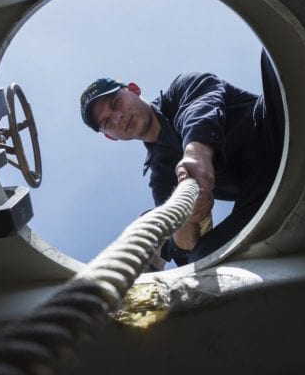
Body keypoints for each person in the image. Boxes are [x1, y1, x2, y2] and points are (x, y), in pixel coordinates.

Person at [80, 50, 284, 266]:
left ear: (134, 90)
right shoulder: (161, 177)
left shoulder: (182, 88)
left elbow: (201, 104)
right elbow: (184, 250)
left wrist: (197, 152)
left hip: (277, 126)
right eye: (107, 123)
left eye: (116, 103)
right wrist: (189, 220)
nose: (118, 118)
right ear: (110, 137)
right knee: (203, 256)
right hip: (261, 194)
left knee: (274, 58)